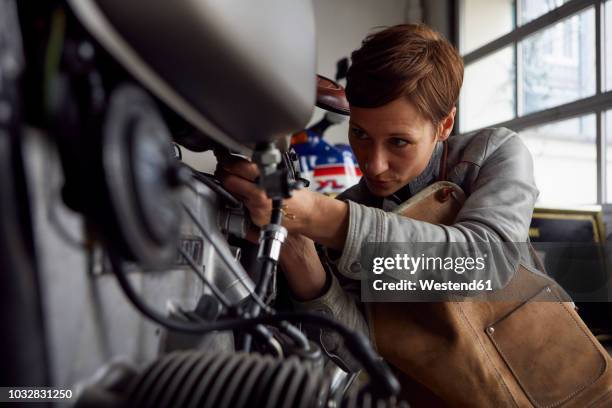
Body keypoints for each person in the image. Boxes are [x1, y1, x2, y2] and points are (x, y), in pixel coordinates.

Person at [217, 23, 539, 404]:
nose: (374, 164)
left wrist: (320, 215)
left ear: (444, 125)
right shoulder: (351, 209)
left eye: (399, 141)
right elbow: (360, 361)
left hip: (544, 384)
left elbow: (487, 262)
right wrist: (299, 250)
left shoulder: (493, 154)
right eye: (360, 134)